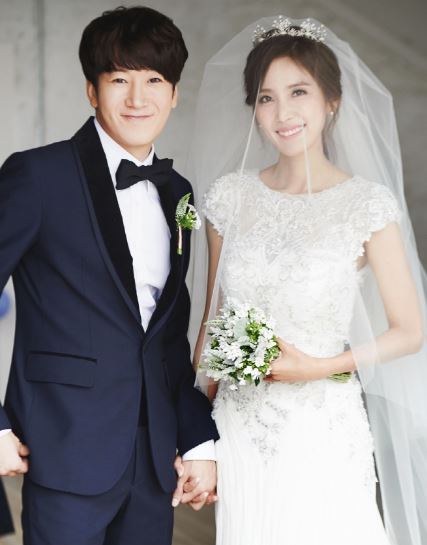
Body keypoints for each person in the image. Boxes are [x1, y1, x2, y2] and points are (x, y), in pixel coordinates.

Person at [191, 16, 427, 545]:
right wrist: (196, 439)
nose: (283, 113)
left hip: (323, 427)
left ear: (331, 100)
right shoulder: (230, 198)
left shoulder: (366, 205)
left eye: (298, 92)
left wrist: (318, 367)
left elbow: (410, 331)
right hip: (240, 427)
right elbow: (211, 326)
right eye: (266, 97)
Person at [0, 6, 218, 545]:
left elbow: (167, 336)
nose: (138, 98)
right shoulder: (38, 174)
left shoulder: (178, 193)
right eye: (119, 79)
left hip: (154, 463)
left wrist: (197, 440)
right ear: (92, 91)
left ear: (175, 94)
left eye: (154, 81)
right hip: (64, 447)